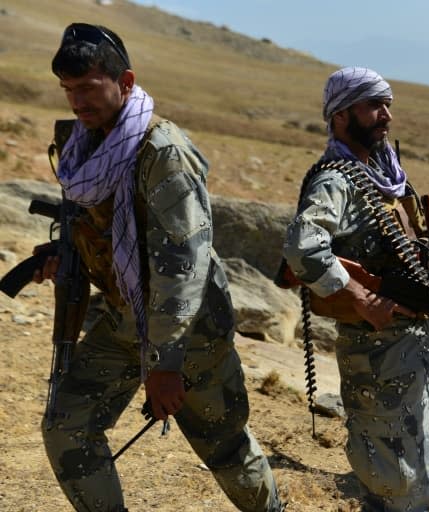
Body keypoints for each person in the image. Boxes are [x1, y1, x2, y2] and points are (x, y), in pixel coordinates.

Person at [36, 23, 282, 511]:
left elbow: (183, 270)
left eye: (87, 88)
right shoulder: (83, 147)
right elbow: (100, 228)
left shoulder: (162, 153)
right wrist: (70, 254)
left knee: (224, 445)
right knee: (67, 426)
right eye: (68, 91)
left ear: (125, 82)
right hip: (127, 318)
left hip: (186, 330)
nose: (76, 102)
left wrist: (165, 363)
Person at [281, 66, 429, 512]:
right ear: (340, 116)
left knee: (415, 470)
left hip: (411, 344)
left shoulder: (384, 174)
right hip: (376, 351)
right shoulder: (336, 180)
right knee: (392, 479)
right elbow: (302, 247)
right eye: (373, 105)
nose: (385, 115)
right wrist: (358, 298)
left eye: (387, 104)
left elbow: (399, 249)